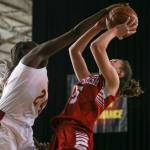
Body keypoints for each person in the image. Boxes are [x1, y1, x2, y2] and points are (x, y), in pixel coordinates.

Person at [0, 3, 127, 150]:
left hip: (62, 131)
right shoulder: (30, 63)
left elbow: (22, 120)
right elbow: (76, 46)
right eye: (36, 46)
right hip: (14, 129)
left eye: (116, 61)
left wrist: (102, 27)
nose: (40, 46)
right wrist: (106, 21)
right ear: (30, 54)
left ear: (120, 73)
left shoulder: (109, 83)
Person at [49, 15, 143, 149]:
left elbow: (97, 46)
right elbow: (74, 51)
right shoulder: (88, 79)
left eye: (114, 61)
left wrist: (116, 31)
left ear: (120, 73)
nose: (110, 60)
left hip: (79, 131)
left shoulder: (113, 83)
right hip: (64, 128)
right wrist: (97, 27)